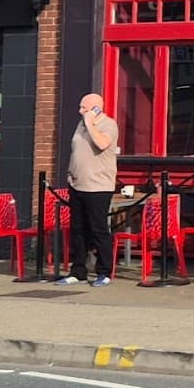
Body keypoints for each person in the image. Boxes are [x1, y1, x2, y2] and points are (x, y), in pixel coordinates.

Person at [56, 93, 119, 287]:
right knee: (78, 230)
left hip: (98, 187)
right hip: (77, 184)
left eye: (84, 108)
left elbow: (102, 144)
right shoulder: (80, 125)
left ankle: (104, 271)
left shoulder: (109, 125)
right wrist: (70, 173)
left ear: (96, 108)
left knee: (98, 229)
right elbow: (77, 151)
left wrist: (91, 123)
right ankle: (78, 271)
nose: (80, 111)